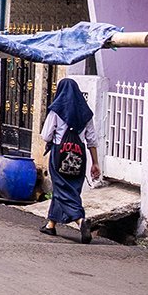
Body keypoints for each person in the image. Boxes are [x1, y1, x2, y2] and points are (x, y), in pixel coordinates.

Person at [39, 77, 101, 242]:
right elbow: (92, 140)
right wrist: (95, 163)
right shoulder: (85, 113)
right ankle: (51, 225)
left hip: (60, 154)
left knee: (61, 188)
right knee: (69, 188)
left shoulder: (56, 110)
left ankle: (81, 221)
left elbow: (46, 135)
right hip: (79, 155)